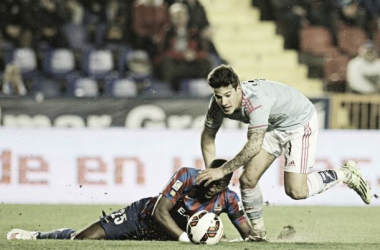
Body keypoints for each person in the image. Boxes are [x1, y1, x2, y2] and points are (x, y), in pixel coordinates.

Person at [195, 65, 372, 240]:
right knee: (247, 180)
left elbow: (254, 145)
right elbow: (208, 137)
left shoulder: (255, 101)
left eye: (228, 95)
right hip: (272, 126)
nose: (224, 102)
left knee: (296, 191)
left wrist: (222, 170)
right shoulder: (216, 105)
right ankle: (258, 235)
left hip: (299, 123)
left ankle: (346, 174)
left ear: (238, 89)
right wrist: (212, 173)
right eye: (219, 97)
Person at [7, 159, 264, 243]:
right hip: (141, 216)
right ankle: (39, 236)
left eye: (221, 184)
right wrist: (186, 239)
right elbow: (161, 212)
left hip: (166, 235)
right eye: (212, 181)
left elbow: (247, 234)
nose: (214, 188)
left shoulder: (228, 198)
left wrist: (254, 239)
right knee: (83, 240)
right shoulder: (187, 176)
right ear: (205, 174)